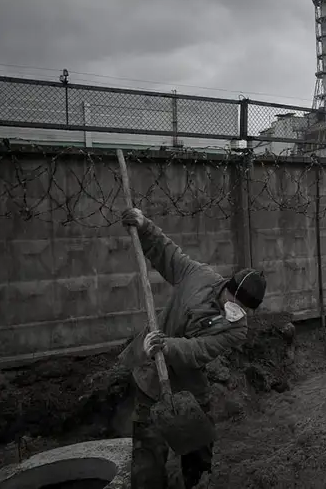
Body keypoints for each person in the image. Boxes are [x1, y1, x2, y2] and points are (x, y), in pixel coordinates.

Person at [118, 207, 267, 489]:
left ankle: (194, 482)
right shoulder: (198, 276)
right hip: (152, 375)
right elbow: (168, 254)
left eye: (243, 308)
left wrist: (167, 346)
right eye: (232, 301)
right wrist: (145, 226)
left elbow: (199, 349)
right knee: (147, 463)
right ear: (225, 287)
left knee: (200, 454)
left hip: (188, 385)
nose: (234, 310)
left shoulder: (237, 329)